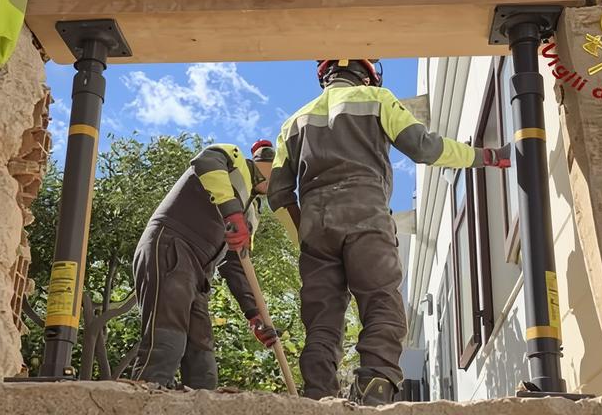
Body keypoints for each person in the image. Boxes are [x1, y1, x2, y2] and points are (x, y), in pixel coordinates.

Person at [267, 59, 510, 405]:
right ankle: (375, 391)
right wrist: (486, 156)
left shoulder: (294, 122)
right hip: (366, 214)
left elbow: (278, 195)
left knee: (322, 321)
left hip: (315, 226)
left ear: (325, 77)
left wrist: (304, 237)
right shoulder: (377, 99)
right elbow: (425, 148)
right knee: (381, 303)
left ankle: (318, 398)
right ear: (367, 75)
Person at [131, 140, 292, 389]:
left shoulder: (251, 211)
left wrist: (254, 314)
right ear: (270, 162)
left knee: (201, 353)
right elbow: (205, 161)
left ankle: (201, 399)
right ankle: (146, 394)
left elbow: (236, 264)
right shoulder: (232, 158)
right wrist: (232, 212)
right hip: (172, 246)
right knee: (167, 338)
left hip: (200, 271)